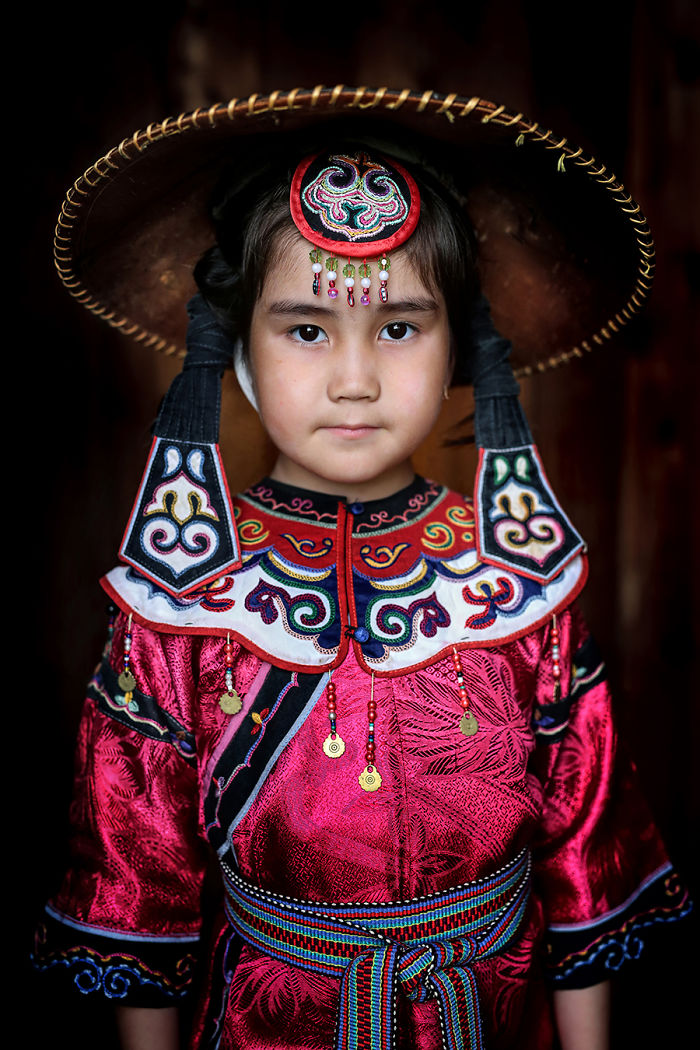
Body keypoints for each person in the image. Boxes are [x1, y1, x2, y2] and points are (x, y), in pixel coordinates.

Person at [33, 87, 690, 1050]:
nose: (355, 379)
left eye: (398, 327)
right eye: (306, 328)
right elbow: (142, 898)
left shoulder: (521, 586)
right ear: (237, 352)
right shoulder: (175, 608)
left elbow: (584, 862)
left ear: (459, 343)